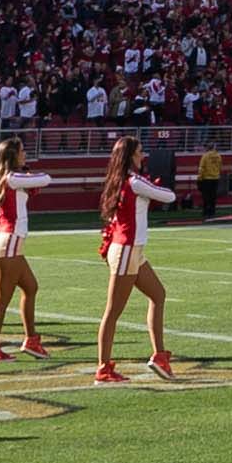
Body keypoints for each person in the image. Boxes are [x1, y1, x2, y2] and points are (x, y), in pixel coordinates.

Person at [92, 139, 178, 384]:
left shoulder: (121, 180)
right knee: (112, 311)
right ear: (130, 156)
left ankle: (159, 355)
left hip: (132, 250)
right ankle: (103, 367)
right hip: (127, 250)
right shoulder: (135, 181)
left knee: (158, 294)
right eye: (140, 153)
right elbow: (169, 196)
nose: (143, 157)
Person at [0, 142, 46, 364]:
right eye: (22, 151)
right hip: (9, 243)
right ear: (13, 155)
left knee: (31, 287)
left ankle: (31, 339)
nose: (25, 154)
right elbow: (46, 179)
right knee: (2, 299)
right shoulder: (12, 178)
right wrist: (31, 173)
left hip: (10, 243)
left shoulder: (8, 178)